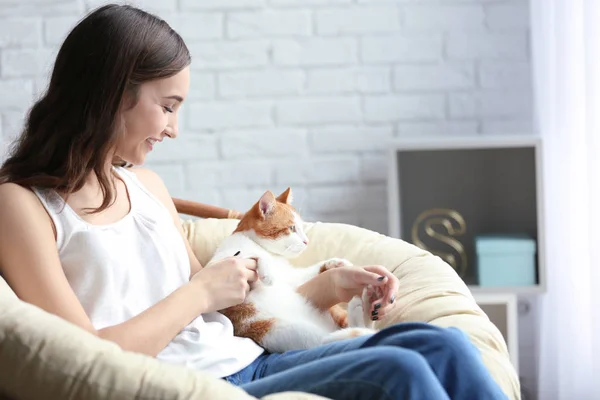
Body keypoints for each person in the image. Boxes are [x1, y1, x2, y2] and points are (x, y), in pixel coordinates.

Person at [0, 4, 508, 400]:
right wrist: (199, 293)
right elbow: (80, 360)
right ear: (112, 94)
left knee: (442, 343)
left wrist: (327, 286)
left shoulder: (145, 186)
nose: (175, 129)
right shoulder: (22, 206)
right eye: (168, 107)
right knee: (397, 370)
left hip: (247, 359)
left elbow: (229, 310)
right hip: (195, 387)